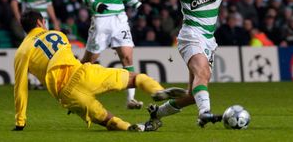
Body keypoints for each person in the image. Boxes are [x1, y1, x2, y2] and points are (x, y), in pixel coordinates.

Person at [112, 0, 293, 128]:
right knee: (202, 72)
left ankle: (157, 113)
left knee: (194, 94)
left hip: (209, 41)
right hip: (190, 35)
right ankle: (204, 114)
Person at [13, 10, 187, 132]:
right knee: (135, 78)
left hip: (66, 94)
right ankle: (157, 90)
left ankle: (128, 127)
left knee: (104, 118)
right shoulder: (57, 34)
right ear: (40, 23)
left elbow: (20, 88)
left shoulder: (22, 51)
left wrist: (20, 121)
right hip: (84, 74)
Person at [79, 0, 143, 109]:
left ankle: (130, 99)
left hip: (120, 19)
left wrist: (135, 2)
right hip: (101, 20)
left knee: (128, 57)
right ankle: (72, 86)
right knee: (89, 60)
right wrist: (94, 4)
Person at [11, 0, 60, 89]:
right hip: (30, 25)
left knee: (44, 53)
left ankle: (41, 82)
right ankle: (24, 80)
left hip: (44, 24)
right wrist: (19, 19)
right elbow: (14, 2)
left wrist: (55, 21)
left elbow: (49, 5)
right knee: (29, 52)